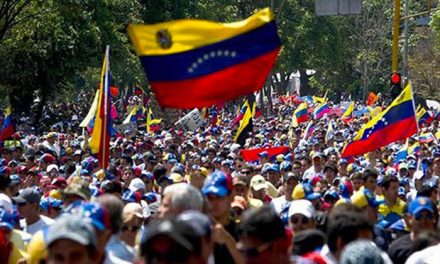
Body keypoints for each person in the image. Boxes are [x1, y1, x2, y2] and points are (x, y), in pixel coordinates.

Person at [202, 171, 244, 264]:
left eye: (219, 197)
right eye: (210, 198)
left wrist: (228, 241)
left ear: (231, 196)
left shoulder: (242, 232)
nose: (214, 203)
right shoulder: (198, 230)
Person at [388, 196, 437, 264]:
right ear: (409, 219)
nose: (424, 221)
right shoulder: (397, 247)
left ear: (434, 219)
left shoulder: (437, 245)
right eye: (419, 216)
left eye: (429, 216)